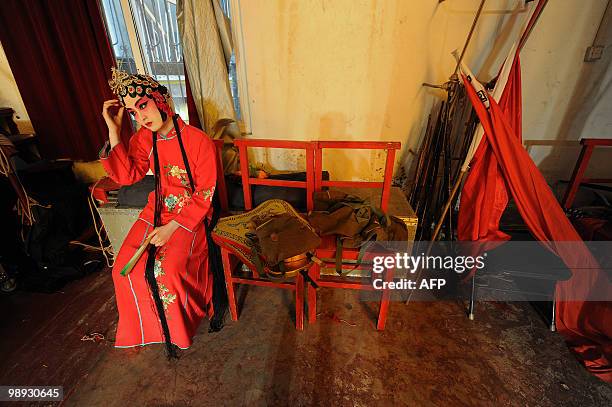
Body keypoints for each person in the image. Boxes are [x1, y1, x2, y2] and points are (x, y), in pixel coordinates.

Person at [100, 67, 222, 357]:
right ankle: (150, 330)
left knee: (165, 272)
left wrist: (172, 228)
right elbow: (128, 175)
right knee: (123, 270)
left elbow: (205, 193)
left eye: (143, 106)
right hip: (158, 209)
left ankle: (179, 329)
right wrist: (114, 131)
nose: (141, 117)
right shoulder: (143, 139)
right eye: (133, 112)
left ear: (160, 99)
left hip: (192, 214)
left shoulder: (198, 141)